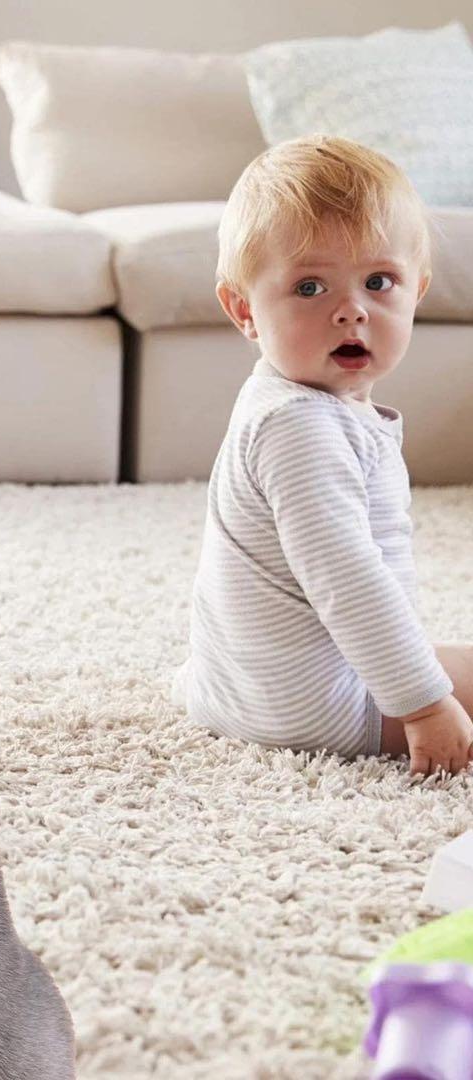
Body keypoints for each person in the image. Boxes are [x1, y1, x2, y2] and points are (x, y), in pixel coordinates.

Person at [172, 134, 473, 775]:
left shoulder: (286, 402)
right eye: (310, 287)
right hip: (314, 706)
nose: (351, 311)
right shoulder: (299, 427)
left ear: (416, 291)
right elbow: (348, 580)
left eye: (378, 282)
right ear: (244, 309)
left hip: (244, 686)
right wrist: (424, 704)